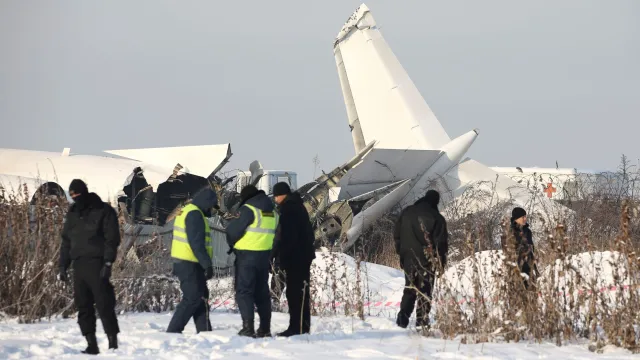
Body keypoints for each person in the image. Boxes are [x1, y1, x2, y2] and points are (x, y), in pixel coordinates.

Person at [58, 179, 121, 355]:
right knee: (83, 306)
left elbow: (112, 238)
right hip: (78, 266)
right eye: (72, 196)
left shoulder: (103, 210)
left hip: (98, 264)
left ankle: (112, 343)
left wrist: (108, 262)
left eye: (77, 194)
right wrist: (63, 265)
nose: (75, 198)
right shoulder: (72, 213)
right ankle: (91, 343)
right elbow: (66, 242)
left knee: (104, 304)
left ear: (85, 191)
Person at [226, 185, 278, 338]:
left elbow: (232, 231)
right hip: (264, 257)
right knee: (262, 293)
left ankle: (248, 328)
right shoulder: (273, 212)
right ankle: (265, 328)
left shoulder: (249, 209)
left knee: (244, 292)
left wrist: (233, 244)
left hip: (246, 257)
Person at [393, 189, 448, 331]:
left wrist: (401, 253)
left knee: (410, 288)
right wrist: (441, 264)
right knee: (425, 290)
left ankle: (402, 318)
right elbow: (441, 244)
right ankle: (422, 320)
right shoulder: (437, 218)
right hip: (427, 261)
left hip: (408, 258)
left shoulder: (407, 212)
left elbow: (397, 234)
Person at [166, 187, 218, 334]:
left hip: (188, 262)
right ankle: (173, 332)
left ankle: (205, 332)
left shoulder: (189, 211)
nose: (212, 210)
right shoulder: (195, 214)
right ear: (207, 203)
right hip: (189, 263)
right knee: (193, 297)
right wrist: (207, 265)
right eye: (212, 206)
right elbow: (197, 243)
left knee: (201, 297)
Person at [271, 182, 316, 337]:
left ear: (283, 194)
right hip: (303, 256)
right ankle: (303, 326)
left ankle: (296, 328)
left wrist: (281, 259)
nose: (275, 199)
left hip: (296, 258)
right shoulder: (298, 206)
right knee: (302, 293)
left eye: (276, 195)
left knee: (294, 293)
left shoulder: (289, 210)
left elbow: (287, 238)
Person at [510, 207, 536, 289]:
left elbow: (531, 248)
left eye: (525, 216)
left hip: (529, 266)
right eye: (523, 217)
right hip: (517, 267)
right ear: (516, 219)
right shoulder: (510, 232)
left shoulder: (528, 231)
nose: (525, 219)